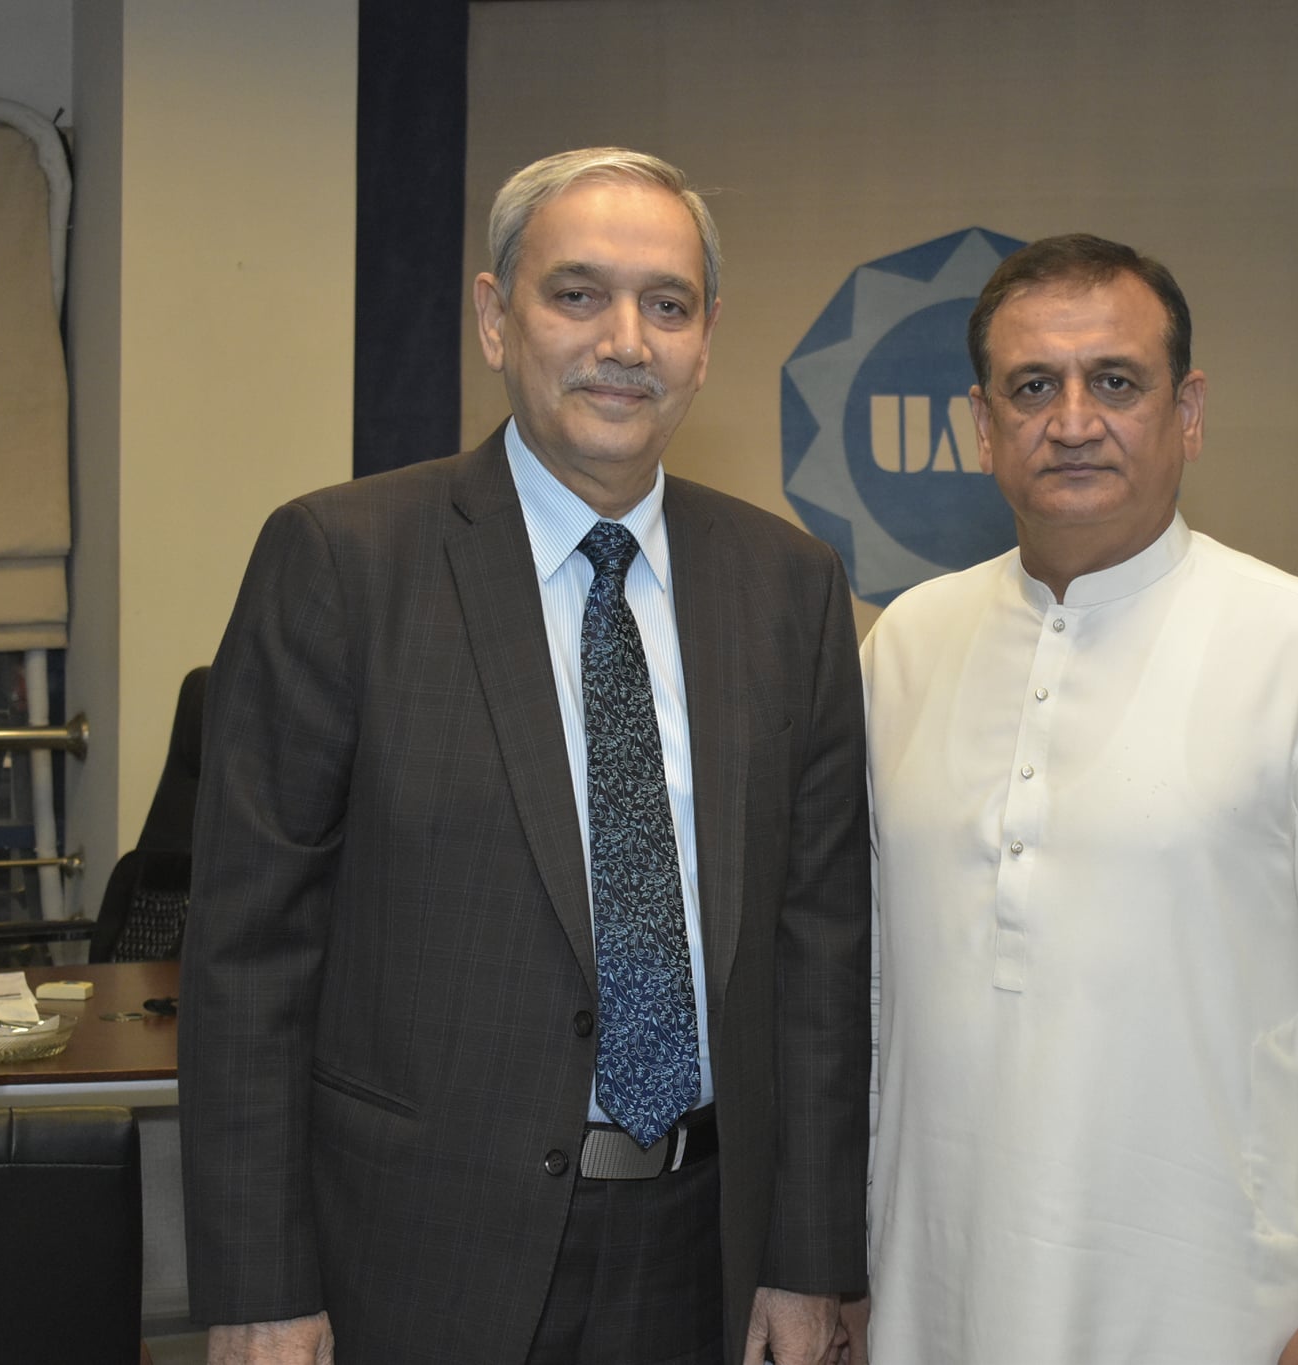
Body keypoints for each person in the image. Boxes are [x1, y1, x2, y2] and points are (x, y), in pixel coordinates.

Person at [180, 148, 871, 1365]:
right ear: (496, 319)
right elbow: (248, 958)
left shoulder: (789, 586)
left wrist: (809, 1258)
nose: (624, 341)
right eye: (577, 294)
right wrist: (257, 1289)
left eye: (667, 304)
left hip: (702, 1251)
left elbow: (817, 952)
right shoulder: (342, 562)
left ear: (706, 342)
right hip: (415, 1253)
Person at [855, 235, 1298, 1365]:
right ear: (981, 425)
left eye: (1116, 382)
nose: (1073, 420)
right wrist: (845, 1262)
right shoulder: (905, 647)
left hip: (1218, 1307)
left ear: (1188, 412)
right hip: (933, 1294)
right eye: (1033, 386)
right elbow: (872, 1000)